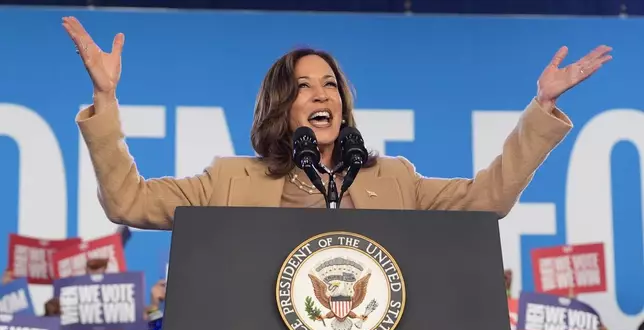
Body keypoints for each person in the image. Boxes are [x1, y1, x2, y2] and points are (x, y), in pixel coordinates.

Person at [61, 16, 612, 231]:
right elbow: (128, 203)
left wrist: (540, 109)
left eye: (330, 85)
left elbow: (488, 198)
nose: (322, 94)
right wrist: (104, 99)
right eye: (304, 86)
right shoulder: (227, 182)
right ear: (282, 106)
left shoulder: (394, 179)